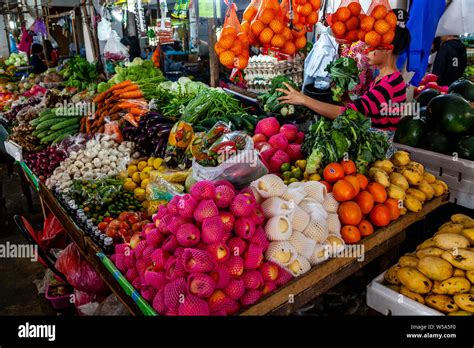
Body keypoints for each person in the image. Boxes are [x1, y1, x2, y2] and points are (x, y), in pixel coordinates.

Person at [278, 26, 411, 133]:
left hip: (378, 151)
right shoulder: (383, 78)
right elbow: (366, 112)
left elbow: (348, 113)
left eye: (373, 46)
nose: (366, 51)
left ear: (388, 49)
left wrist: (303, 99)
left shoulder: (389, 84)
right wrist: (343, 99)